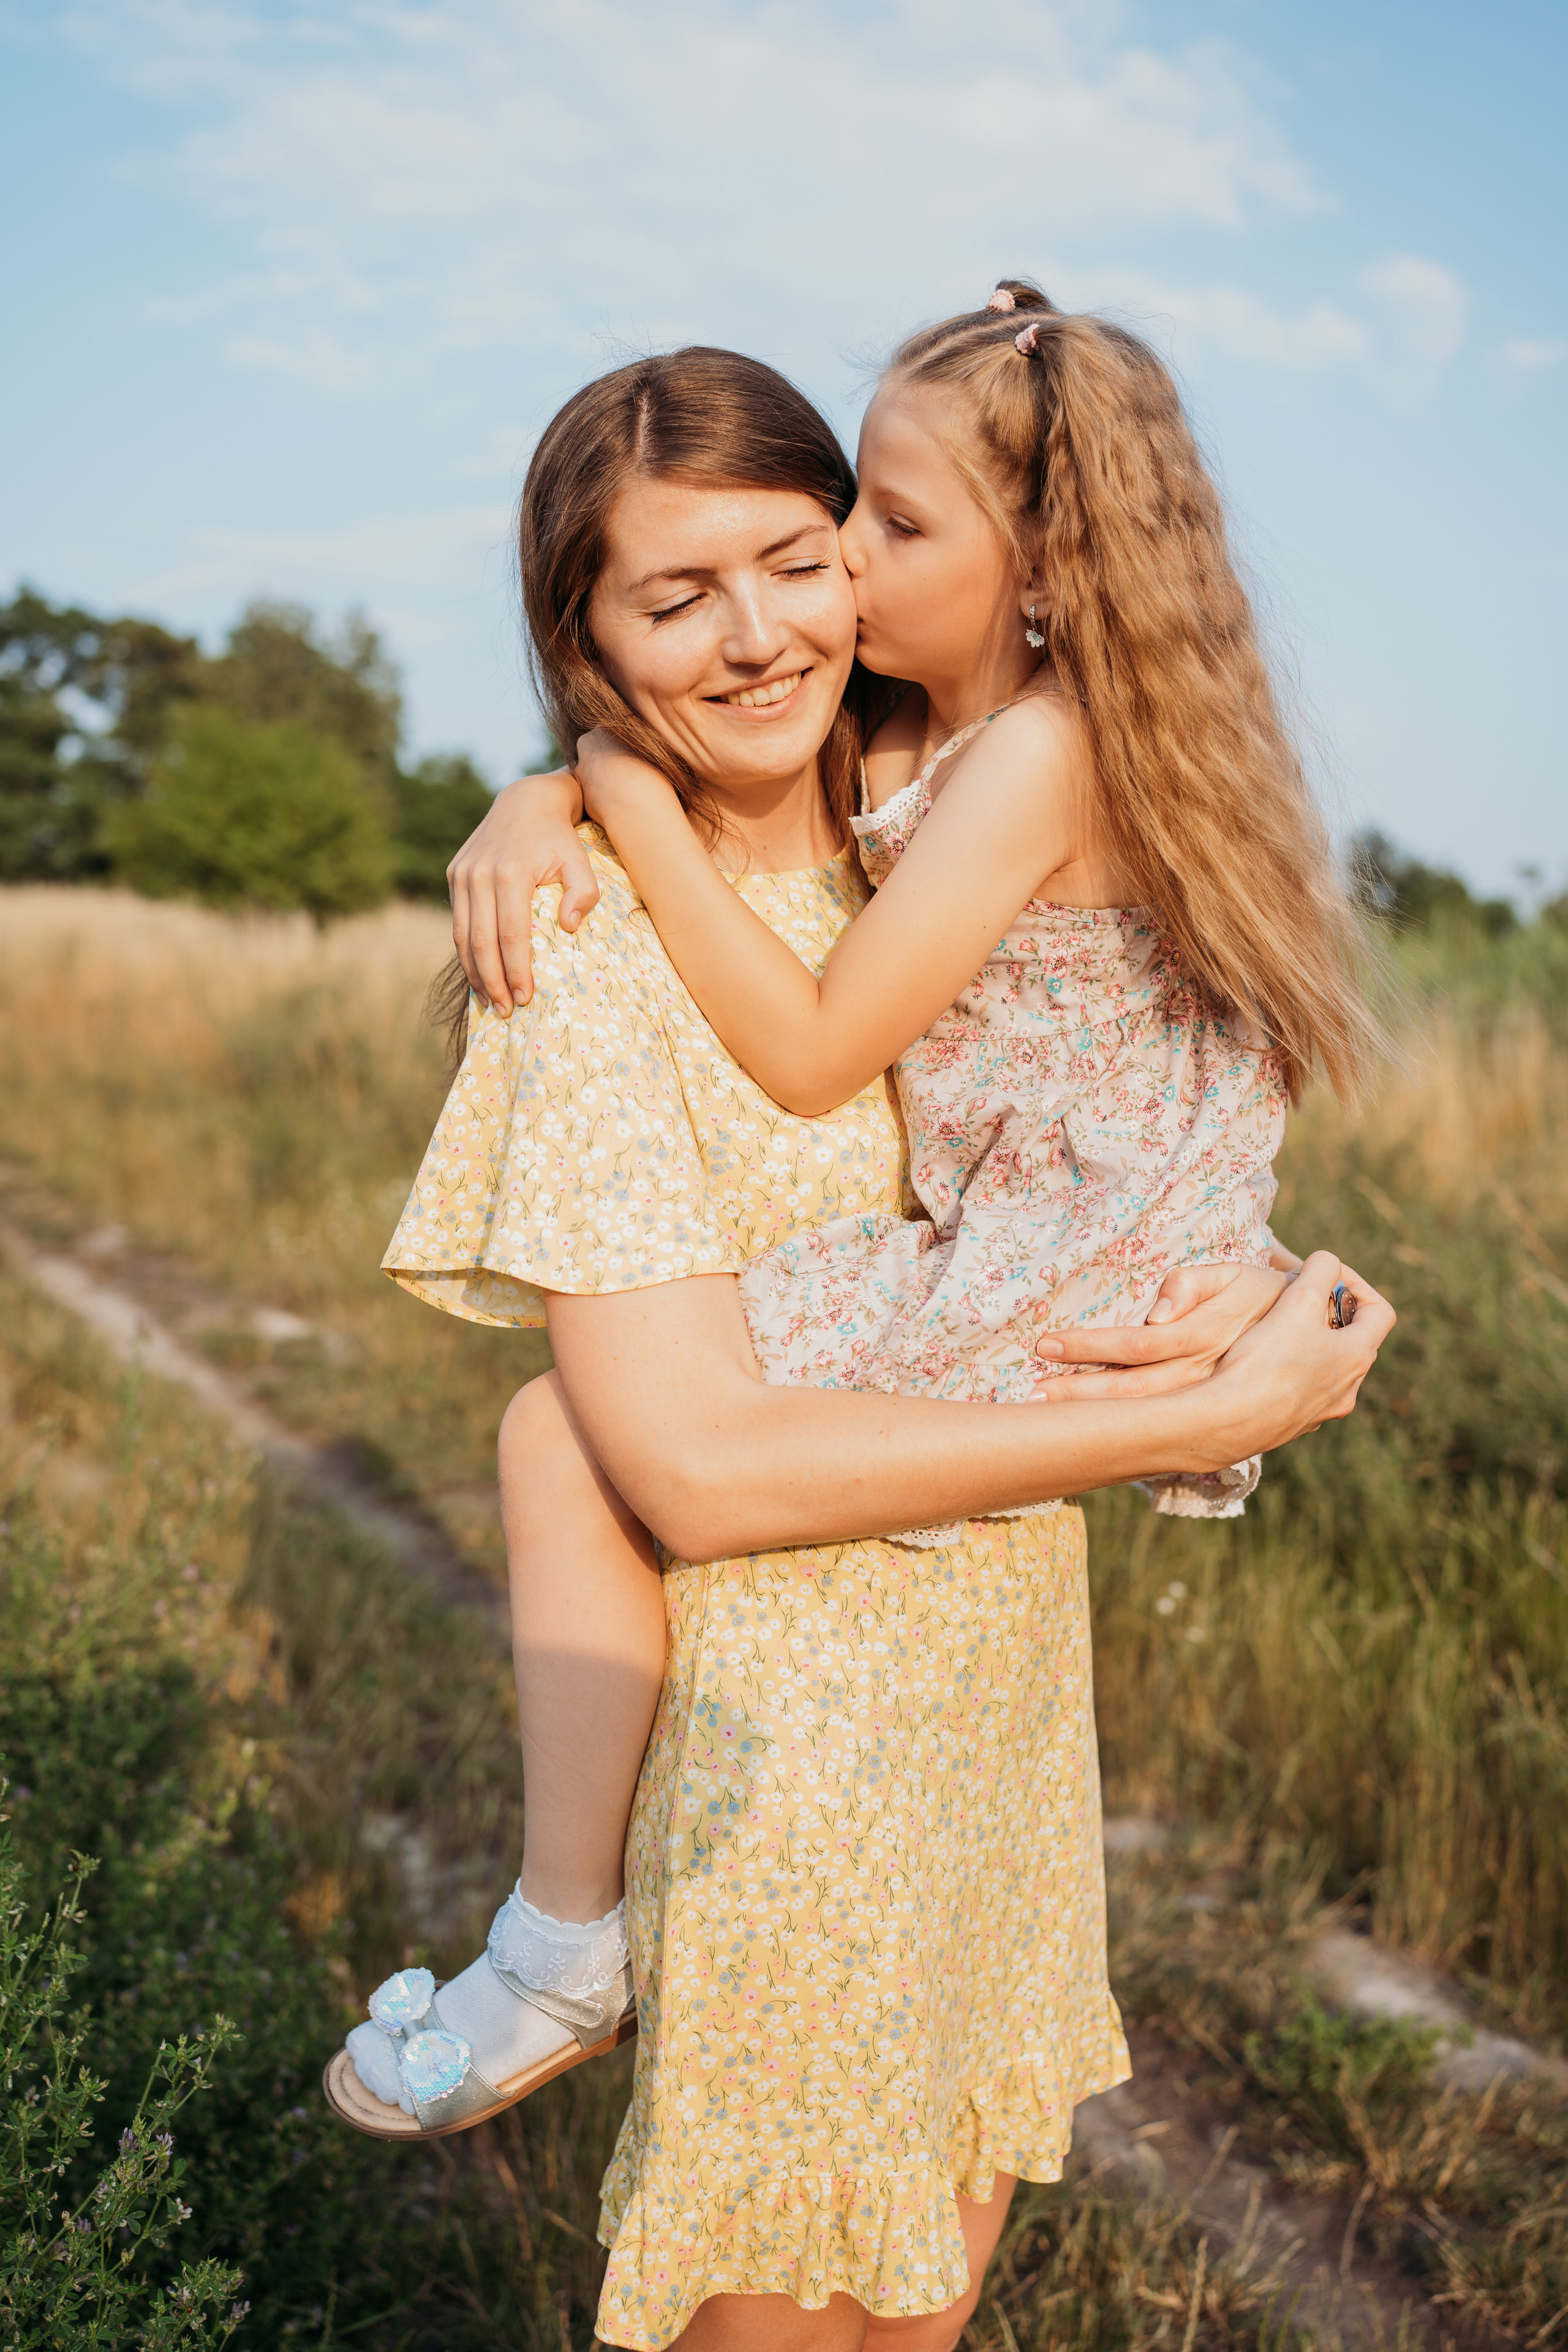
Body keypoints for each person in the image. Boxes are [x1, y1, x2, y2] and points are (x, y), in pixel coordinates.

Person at [325, 337, 1391, 2352]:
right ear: (588, 642)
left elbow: (1106, 1114)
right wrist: (579, 789)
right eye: (674, 599)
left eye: (810, 557)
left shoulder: (925, 794)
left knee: (922, 2317)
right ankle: (562, 1940)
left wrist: (1263, 1297)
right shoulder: (593, 952)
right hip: (795, 1777)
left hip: (999, 1723)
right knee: (565, 1437)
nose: (763, 635)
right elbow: (696, 1467)